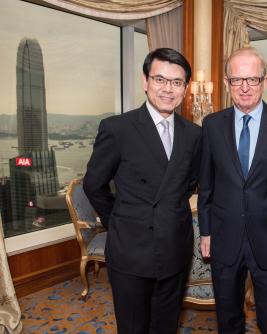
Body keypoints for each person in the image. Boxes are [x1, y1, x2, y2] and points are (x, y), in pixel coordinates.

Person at [83, 48, 201, 334]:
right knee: (133, 327)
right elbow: (93, 185)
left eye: (176, 82)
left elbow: (189, 183)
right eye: (160, 79)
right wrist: (121, 221)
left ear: (185, 89)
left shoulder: (194, 133)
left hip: (175, 246)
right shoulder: (117, 128)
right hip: (131, 250)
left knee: (165, 325)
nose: (168, 89)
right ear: (145, 81)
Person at [198, 47, 267, 334]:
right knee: (228, 317)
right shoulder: (212, 125)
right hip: (224, 236)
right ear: (227, 83)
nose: (244, 87)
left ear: (264, 82)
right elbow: (206, 184)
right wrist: (205, 232)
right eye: (237, 80)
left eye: (252, 79)